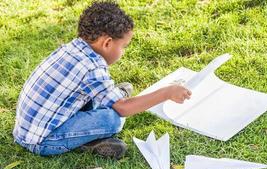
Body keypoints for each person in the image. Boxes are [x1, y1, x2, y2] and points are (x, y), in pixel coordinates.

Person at [12, 1, 191, 159]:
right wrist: (166, 92)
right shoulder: (92, 68)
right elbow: (123, 108)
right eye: (123, 47)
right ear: (107, 43)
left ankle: (112, 97)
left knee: (105, 100)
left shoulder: (72, 48)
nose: (124, 52)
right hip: (43, 141)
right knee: (112, 119)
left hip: (26, 130)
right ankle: (85, 142)